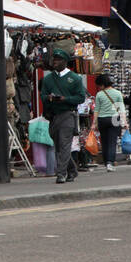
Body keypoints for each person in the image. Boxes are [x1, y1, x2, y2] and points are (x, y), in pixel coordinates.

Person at [41, 47, 86, 184]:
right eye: (54, 59)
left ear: (65, 62)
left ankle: (61, 173)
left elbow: (80, 98)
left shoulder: (75, 78)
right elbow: (42, 96)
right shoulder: (48, 79)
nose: (55, 61)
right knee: (59, 146)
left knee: (64, 145)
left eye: (58, 59)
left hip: (68, 114)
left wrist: (65, 99)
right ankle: (72, 170)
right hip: (54, 116)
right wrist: (48, 98)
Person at [93, 73, 125, 172]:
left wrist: (94, 123)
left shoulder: (99, 94)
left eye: (99, 85)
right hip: (114, 118)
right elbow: (121, 109)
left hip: (102, 119)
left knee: (104, 141)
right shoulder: (118, 93)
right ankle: (110, 162)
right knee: (112, 141)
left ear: (102, 84)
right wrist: (124, 122)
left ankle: (106, 160)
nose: (99, 87)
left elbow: (97, 110)